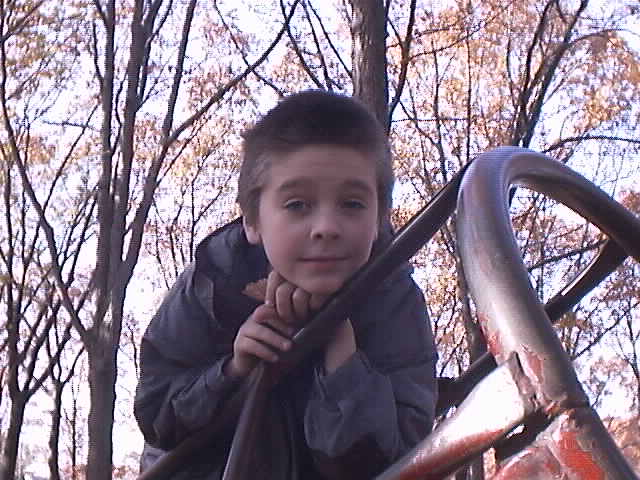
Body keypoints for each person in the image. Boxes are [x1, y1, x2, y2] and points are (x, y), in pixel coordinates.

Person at [134, 90, 438, 479]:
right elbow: (156, 415)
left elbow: (401, 458)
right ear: (253, 222)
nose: (326, 227)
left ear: (378, 219)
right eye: (297, 205)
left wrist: (340, 352)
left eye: (352, 204)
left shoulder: (392, 299)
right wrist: (232, 372)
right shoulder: (212, 284)